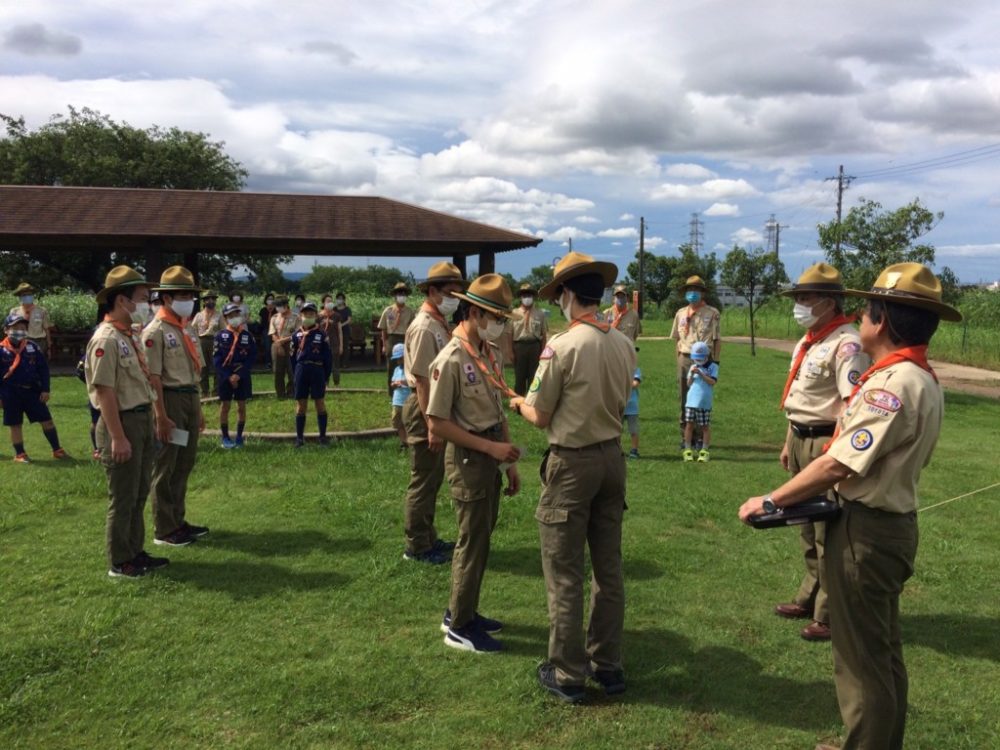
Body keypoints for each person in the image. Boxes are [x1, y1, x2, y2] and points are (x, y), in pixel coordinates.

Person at [739, 263, 960, 750]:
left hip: (867, 531)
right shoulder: (916, 376)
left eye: (867, 310)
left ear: (882, 320)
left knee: (861, 660)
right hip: (885, 525)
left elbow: (839, 464)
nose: (860, 317)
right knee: (881, 652)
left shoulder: (892, 385)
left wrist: (771, 499)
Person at [509, 251, 636, 704]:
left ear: (566, 295)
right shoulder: (622, 342)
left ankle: (567, 672)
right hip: (612, 458)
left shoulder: (562, 346)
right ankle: (607, 663)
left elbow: (540, 415)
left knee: (564, 570)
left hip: (573, 463)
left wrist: (518, 404)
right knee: (608, 569)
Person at [773, 263, 870, 643]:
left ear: (829, 302)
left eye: (806, 297)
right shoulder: (810, 340)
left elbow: (850, 406)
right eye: (797, 297)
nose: (799, 304)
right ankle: (809, 596)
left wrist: (833, 453)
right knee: (804, 524)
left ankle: (829, 613)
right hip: (801, 437)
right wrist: (789, 441)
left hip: (824, 442)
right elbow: (800, 397)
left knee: (827, 530)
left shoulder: (848, 344)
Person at [425, 274, 521, 653]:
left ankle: (463, 609)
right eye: (496, 318)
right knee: (472, 541)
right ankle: (460, 627)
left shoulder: (487, 352)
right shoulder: (451, 358)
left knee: (482, 536)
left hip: (491, 453)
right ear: (476, 313)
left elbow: (498, 409)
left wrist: (508, 462)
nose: (500, 325)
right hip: (470, 457)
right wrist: (489, 449)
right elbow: (437, 422)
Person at [84, 265, 168, 578]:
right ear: (122, 301)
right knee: (123, 497)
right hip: (121, 423)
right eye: (143, 299)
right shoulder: (106, 339)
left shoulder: (127, 336)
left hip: (140, 418)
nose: (148, 305)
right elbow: (104, 392)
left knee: (139, 492)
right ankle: (120, 561)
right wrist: (117, 437)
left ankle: (135, 550)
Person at [401, 261, 467, 564]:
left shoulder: (438, 322)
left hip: (433, 406)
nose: (454, 299)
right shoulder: (425, 327)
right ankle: (417, 546)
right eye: (450, 292)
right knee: (424, 479)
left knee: (433, 477)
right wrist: (432, 425)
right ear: (432, 291)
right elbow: (423, 381)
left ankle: (427, 537)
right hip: (424, 407)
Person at [141, 266, 209, 548]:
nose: (189, 301)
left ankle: (178, 520)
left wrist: (198, 409)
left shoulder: (185, 327)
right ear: (167, 298)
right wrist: (161, 415)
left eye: (191, 296)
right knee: (167, 463)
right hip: (170, 400)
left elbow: (194, 371)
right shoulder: (156, 331)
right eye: (183, 296)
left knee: (184, 462)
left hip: (189, 398)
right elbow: (153, 377)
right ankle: (164, 527)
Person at [1, 312, 68, 462]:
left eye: (22, 328)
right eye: (15, 328)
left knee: (47, 420)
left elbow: (43, 370)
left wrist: (45, 389)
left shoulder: (32, 347)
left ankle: (57, 450)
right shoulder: (1, 350)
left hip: (32, 391)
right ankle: (20, 454)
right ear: (6, 330)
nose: (19, 331)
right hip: (11, 393)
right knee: (15, 424)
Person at [669, 276, 721, 446]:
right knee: (684, 398)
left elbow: (717, 340)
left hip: (705, 360)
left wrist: (716, 362)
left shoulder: (712, 313)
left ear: (702, 293)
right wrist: (678, 360)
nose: (692, 293)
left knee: (701, 397)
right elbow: (677, 339)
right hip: (684, 358)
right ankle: (685, 437)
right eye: (690, 290)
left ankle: (699, 437)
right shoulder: (680, 313)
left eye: (696, 290)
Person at [214, 302, 257, 449]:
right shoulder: (220, 336)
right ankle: (225, 437)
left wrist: (239, 375)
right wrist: (229, 376)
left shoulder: (247, 336)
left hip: (242, 375)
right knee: (225, 406)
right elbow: (217, 359)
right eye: (231, 315)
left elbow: (251, 358)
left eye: (236, 314)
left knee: (241, 406)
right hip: (225, 375)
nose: (235, 318)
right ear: (225, 318)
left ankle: (239, 436)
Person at [291, 302, 333, 447]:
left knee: (319, 402)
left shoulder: (322, 335)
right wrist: (296, 373)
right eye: (305, 314)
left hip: (317, 369)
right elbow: (292, 357)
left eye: (311, 314)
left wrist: (326, 376)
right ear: (300, 316)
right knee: (301, 404)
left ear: (316, 316)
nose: (308, 316)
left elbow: (328, 357)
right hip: (301, 369)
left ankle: (322, 437)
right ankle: (299, 438)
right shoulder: (296, 335)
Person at [682, 341, 718, 462]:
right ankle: (687, 449)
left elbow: (712, 382)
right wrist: (692, 374)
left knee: (705, 427)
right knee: (689, 425)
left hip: (704, 402)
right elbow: (689, 384)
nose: (698, 361)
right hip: (691, 401)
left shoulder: (713, 367)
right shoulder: (693, 367)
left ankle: (704, 450)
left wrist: (701, 374)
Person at [510, 282, 548, 396]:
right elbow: (509, 334)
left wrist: (543, 352)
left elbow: (543, 334)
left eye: (529, 295)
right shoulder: (514, 313)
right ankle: (518, 400)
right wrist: (510, 351)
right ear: (521, 297)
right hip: (519, 347)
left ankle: (532, 400)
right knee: (519, 376)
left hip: (534, 347)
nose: (527, 298)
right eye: (525, 295)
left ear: (533, 297)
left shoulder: (540, 313)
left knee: (534, 376)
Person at [378, 282, 416, 394]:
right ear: (395, 296)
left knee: (407, 365)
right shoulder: (388, 310)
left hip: (405, 338)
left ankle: (407, 389)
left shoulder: (410, 311)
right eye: (399, 294)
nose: (401, 296)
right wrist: (384, 345)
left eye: (404, 294)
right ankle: (391, 391)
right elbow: (383, 329)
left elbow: (413, 328)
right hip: (392, 338)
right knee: (391, 366)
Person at [9, 282, 54, 356]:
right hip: (20, 342)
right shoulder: (14, 311)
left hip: (38, 343)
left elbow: (46, 329)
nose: (27, 297)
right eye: (24, 295)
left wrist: (49, 347)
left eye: (29, 294)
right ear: (20, 297)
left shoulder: (42, 311)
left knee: (38, 362)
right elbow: (10, 329)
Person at [192, 291, 223, 397]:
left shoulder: (219, 315)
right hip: (201, 341)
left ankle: (216, 391)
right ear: (204, 301)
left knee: (216, 366)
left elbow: (223, 330)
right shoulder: (199, 315)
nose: (211, 301)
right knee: (202, 367)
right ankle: (204, 391)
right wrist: (195, 342)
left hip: (215, 340)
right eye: (208, 299)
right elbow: (193, 329)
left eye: (213, 299)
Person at [268, 296, 298, 398]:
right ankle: (280, 393)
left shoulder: (296, 317)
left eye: (280, 306)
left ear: (286, 305)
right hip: (277, 345)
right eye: (277, 306)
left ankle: (291, 391)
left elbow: (297, 333)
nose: (278, 308)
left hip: (291, 344)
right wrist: (279, 344)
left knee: (291, 369)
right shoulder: (274, 317)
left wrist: (282, 341)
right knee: (278, 370)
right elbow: (272, 333)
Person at [318, 294, 343, 386]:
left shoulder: (336, 315)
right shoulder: (319, 316)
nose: (330, 303)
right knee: (324, 364)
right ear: (323, 303)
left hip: (334, 343)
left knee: (335, 365)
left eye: (331, 301)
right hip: (322, 344)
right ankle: (325, 383)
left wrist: (341, 345)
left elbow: (340, 331)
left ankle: (337, 383)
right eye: (328, 301)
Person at [389, 343, 410, 448]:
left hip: (407, 400)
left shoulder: (410, 370)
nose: (398, 361)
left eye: (400, 359)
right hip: (397, 401)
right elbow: (392, 382)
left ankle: (410, 441)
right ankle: (403, 442)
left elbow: (413, 382)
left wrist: (403, 382)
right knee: (398, 423)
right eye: (397, 359)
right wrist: (394, 384)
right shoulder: (397, 369)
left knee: (408, 422)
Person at [623, 365, 641, 459]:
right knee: (616, 430)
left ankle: (634, 450)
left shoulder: (635, 369)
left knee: (633, 430)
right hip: (619, 405)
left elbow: (635, 384)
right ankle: (617, 449)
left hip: (632, 407)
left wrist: (621, 382)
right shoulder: (615, 367)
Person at [259, 292, 277, 367]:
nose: (270, 300)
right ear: (266, 300)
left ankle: (276, 362)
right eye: (268, 299)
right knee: (267, 346)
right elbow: (261, 321)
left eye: (272, 299)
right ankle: (268, 362)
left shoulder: (276, 310)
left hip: (275, 330)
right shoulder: (263, 310)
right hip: (266, 329)